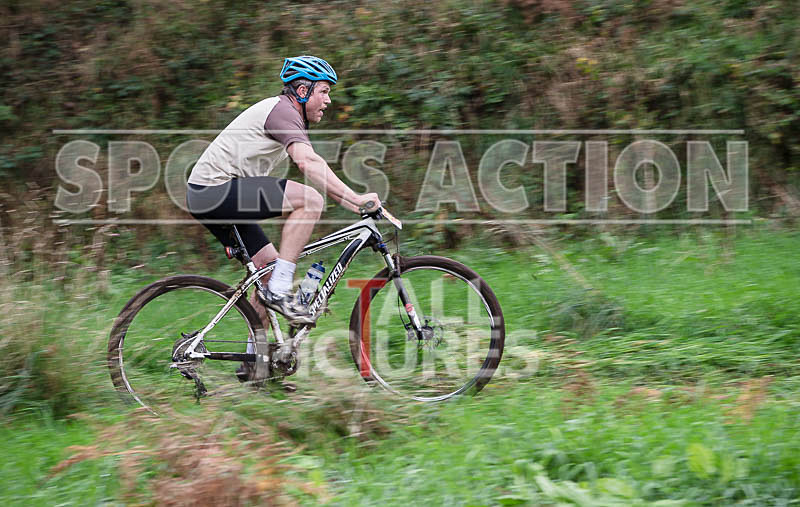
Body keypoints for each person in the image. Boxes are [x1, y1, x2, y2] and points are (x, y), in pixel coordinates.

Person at [186, 56, 379, 328]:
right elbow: (307, 162)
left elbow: (311, 163)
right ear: (303, 91)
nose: (328, 100)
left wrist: (351, 200)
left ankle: (255, 361)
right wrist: (357, 199)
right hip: (215, 191)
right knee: (310, 200)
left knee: (269, 272)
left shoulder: (288, 115)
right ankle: (279, 290)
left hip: (211, 195)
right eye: (324, 91)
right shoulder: (282, 111)